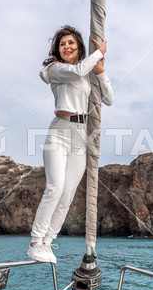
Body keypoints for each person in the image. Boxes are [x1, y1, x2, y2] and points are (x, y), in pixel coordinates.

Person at [27, 25, 114, 263]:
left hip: (81, 135)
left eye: (71, 43)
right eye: (63, 44)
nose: (67, 47)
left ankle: (47, 242)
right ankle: (35, 241)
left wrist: (101, 71)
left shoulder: (87, 72)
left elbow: (109, 99)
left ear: (79, 48)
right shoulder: (55, 69)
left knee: (68, 194)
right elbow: (75, 72)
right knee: (55, 187)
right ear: (58, 49)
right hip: (60, 131)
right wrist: (99, 52)